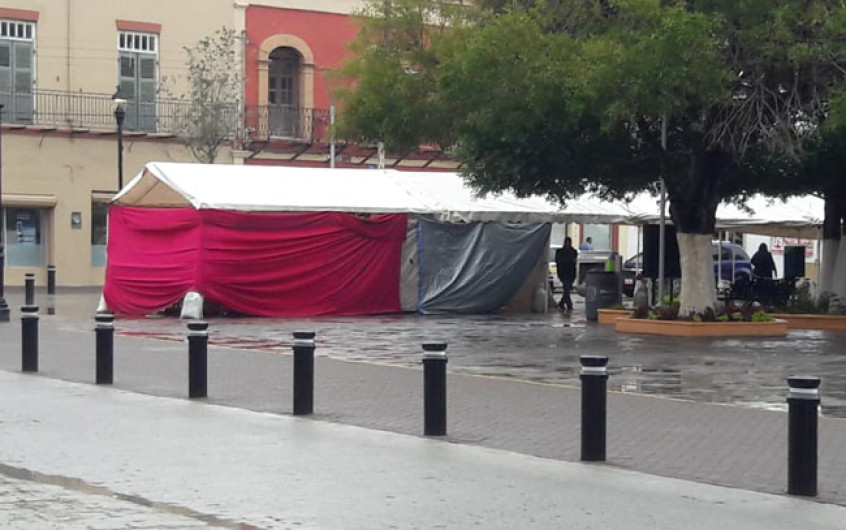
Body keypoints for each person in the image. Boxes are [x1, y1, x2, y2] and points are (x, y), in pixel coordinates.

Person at [555, 237, 578, 311]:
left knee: (567, 289)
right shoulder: (560, 252)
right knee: (566, 288)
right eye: (566, 242)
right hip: (563, 273)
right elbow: (559, 262)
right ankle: (568, 304)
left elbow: (573, 261)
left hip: (571, 273)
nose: (567, 244)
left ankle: (563, 303)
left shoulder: (573, 251)